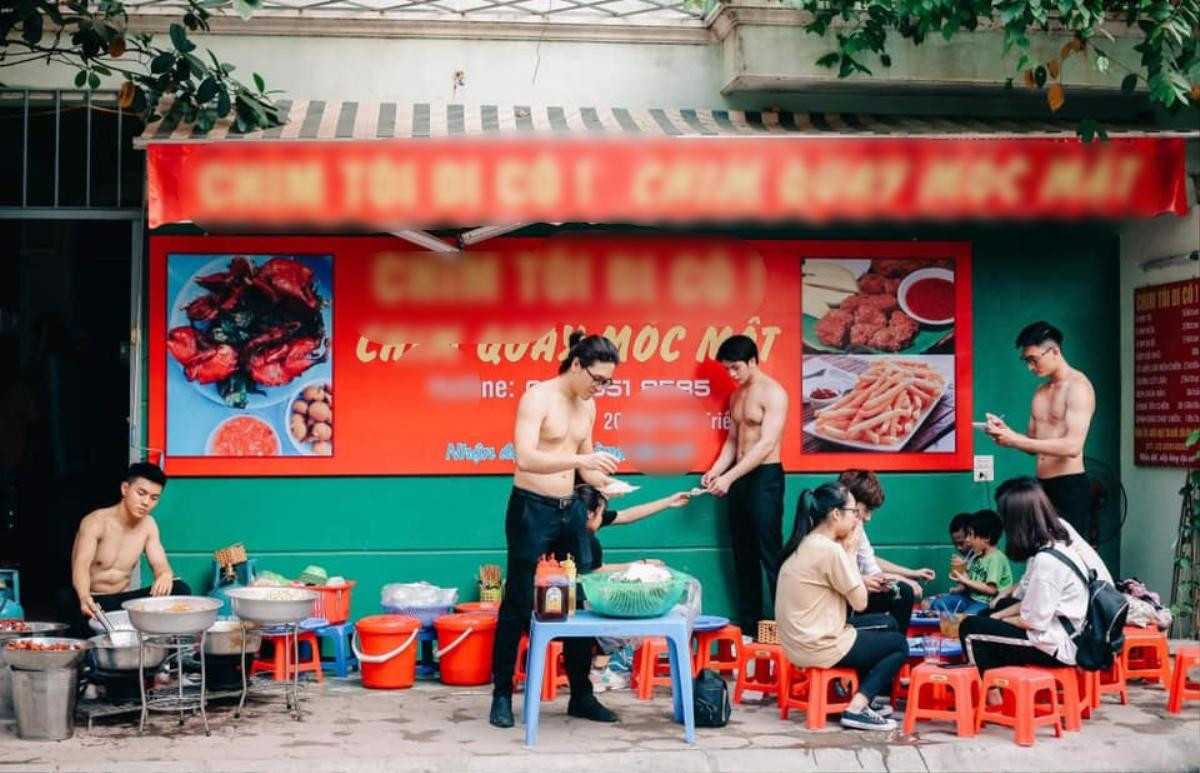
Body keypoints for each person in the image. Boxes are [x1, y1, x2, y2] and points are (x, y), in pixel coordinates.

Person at [489, 332, 624, 729]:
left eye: (607, 383)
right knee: (517, 601)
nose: (600, 388)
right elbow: (526, 458)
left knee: (577, 600)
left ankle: (581, 693)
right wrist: (583, 457)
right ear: (578, 365)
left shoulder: (589, 406)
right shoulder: (538, 398)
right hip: (532, 507)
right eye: (598, 379)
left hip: (570, 508)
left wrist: (604, 479)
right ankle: (501, 695)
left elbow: (584, 466)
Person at [958, 477, 1109, 702]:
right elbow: (1031, 602)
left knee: (970, 628)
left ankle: (991, 695)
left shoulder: (1047, 561)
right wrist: (997, 614)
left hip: (1058, 646)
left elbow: (1033, 621)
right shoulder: (1059, 543)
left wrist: (997, 621)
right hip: (1064, 630)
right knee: (990, 613)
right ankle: (1005, 684)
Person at [775, 481, 908, 731]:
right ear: (836, 515)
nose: (857, 520)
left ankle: (856, 696)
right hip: (819, 645)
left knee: (888, 624)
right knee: (898, 644)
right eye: (853, 513)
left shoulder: (805, 542)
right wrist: (849, 551)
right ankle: (856, 708)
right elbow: (860, 602)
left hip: (799, 642)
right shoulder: (831, 550)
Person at [702, 335, 788, 634]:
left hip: (765, 477)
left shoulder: (773, 393)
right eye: (727, 369)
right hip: (737, 477)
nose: (731, 375)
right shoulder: (737, 396)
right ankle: (751, 630)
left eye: (736, 368)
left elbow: (765, 445)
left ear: (753, 361)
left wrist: (729, 477)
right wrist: (716, 470)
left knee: (770, 554)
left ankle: (782, 631)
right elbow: (733, 441)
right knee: (744, 556)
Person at [575, 484, 692, 691]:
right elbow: (594, 572)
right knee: (620, 613)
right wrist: (640, 565)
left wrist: (668, 501)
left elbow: (627, 515)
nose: (603, 518)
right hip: (576, 605)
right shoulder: (585, 539)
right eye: (601, 513)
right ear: (590, 514)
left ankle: (598, 670)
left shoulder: (567, 524)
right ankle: (598, 672)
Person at [985, 321, 1096, 538]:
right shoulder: (1040, 391)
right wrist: (1007, 433)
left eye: (1033, 360)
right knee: (1040, 552)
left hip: (1070, 485)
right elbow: (1032, 445)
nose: (1030, 367)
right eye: (1026, 361)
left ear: (1054, 351)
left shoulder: (1078, 387)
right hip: (1041, 486)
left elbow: (1073, 446)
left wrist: (1015, 440)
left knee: (1069, 556)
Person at [69, 463, 190, 635]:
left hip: (124, 603)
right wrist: (83, 596)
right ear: (125, 489)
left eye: (154, 498)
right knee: (68, 602)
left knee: (179, 589)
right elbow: (80, 565)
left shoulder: (149, 526)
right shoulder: (96, 522)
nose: (146, 502)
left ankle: (164, 653)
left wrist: (165, 574)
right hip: (93, 601)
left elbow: (160, 563)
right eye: (141, 493)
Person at [837, 470, 934, 633]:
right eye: (866, 510)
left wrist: (907, 577)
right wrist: (905, 580)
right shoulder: (826, 532)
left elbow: (872, 567)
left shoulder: (857, 528)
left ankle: (895, 645)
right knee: (900, 596)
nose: (868, 518)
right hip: (834, 609)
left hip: (855, 597)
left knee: (903, 592)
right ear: (850, 502)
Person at [931, 510, 1013, 615]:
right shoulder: (978, 556)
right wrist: (961, 571)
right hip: (970, 599)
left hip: (986, 603)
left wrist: (965, 580)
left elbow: (992, 590)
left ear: (987, 537)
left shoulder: (996, 559)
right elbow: (970, 582)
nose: (968, 540)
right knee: (937, 604)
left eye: (971, 535)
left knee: (966, 619)